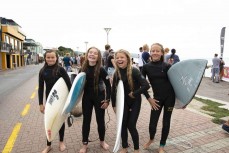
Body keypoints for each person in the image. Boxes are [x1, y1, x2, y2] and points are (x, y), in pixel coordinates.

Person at [111, 49, 150, 153]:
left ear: (127, 59)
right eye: (117, 58)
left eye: (122, 57)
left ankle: (136, 149)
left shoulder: (134, 70)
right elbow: (113, 90)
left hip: (135, 102)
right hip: (122, 103)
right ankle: (124, 148)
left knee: (131, 125)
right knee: (123, 124)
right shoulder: (116, 73)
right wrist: (114, 105)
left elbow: (146, 85)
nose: (119, 59)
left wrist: (134, 93)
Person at [141, 43, 175, 153]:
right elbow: (142, 85)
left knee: (166, 123)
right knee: (152, 124)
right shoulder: (146, 67)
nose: (155, 53)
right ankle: (151, 139)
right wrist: (149, 98)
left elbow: (176, 83)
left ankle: (162, 145)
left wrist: (184, 100)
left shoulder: (167, 66)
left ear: (161, 53)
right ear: (150, 52)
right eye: (153, 51)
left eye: (157, 51)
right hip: (156, 99)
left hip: (170, 98)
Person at [38, 50, 72, 153]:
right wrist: (40, 103)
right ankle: (48, 144)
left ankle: (61, 142)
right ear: (45, 58)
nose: (50, 59)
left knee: (60, 121)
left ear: (56, 58)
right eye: (48, 57)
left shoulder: (60, 70)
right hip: (50, 100)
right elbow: (40, 88)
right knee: (49, 121)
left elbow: (69, 84)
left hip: (61, 99)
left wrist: (70, 100)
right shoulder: (42, 71)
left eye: (52, 57)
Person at [79, 47, 111, 153]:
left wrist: (107, 100)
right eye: (90, 52)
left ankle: (102, 141)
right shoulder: (82, 69)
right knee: (86, 121)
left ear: (98, 57)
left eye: (95, 53)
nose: (92, 54)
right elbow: (76, 87)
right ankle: (84, 144)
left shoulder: (101, 69)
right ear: (87, 54)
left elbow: (108, 86)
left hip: (99, 97)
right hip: (87, 98)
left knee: (100, 121)